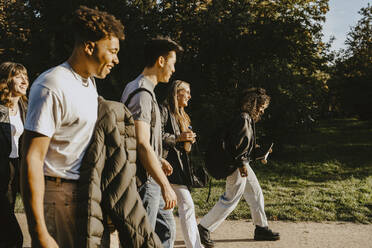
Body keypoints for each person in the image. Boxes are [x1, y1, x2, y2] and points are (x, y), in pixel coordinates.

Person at [20, 6, 124, 248]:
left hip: (86, 193)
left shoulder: (88, 84)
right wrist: (39, 233)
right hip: (59, 197)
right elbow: (32, 158)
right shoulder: (52, 85)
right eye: (112, 51)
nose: (116, 59)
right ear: (89, 47)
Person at [198, 88, 280, 248]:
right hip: (237, 165)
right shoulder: (244, 118)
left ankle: (261, 228)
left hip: (240, 163)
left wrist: (259, 152)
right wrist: (242, 165)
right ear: (254, 104)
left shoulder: (243, 117)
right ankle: (203, 228)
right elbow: (237, 147)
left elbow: (241, 145)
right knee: (231, 198)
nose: (262, 111)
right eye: (261, 107)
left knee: (255, 193)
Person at [121, 37, 183, 248]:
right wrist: (166, 185)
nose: (173, 70)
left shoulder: (136, 87)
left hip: (150, 174)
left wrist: (158, 158)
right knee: (144, 240)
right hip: (145, 180)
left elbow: (142, 139)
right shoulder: (142, 94)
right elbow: (141, 144)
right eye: (172, 63)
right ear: (160, 61)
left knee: (166, 231)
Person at [160, 80, 203, 248]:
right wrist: (178, 138)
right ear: (177, 93)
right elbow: (157, 136)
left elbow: (183, 145)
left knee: (169, 208)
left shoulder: (183, 115)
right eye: (187, 92)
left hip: (178, 167)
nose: (190, 96)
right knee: (183, 205)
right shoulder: (164, 110)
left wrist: (189, 139)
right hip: (166, 165)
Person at [0, 62, 29, 248]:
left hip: (18, 166)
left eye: (25, 76)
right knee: (12, 234)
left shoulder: (27, 108)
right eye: (18, 76)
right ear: (7, 80)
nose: (24, 80)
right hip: (2, 168)